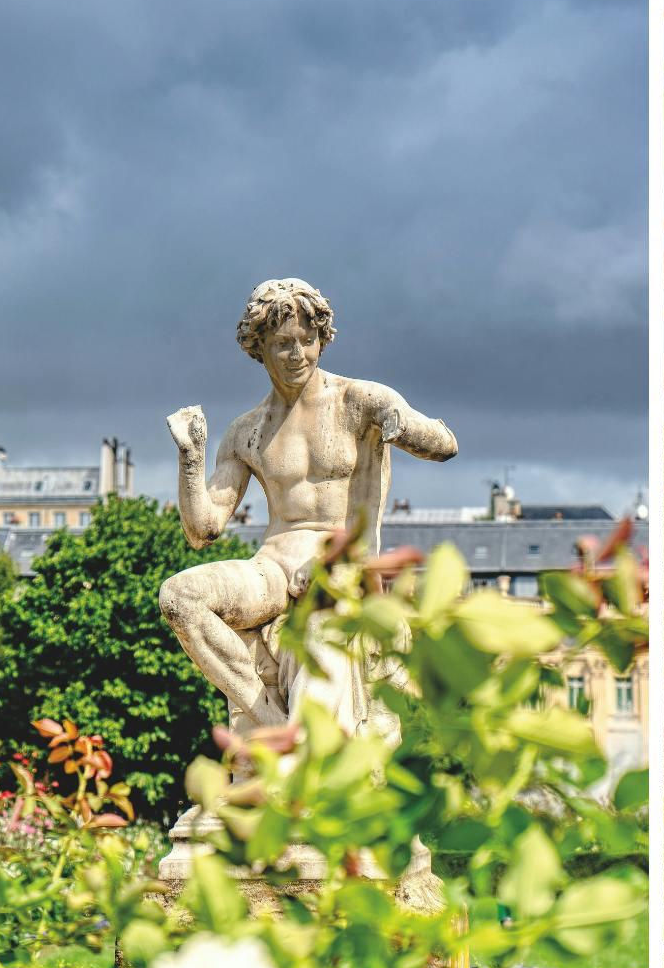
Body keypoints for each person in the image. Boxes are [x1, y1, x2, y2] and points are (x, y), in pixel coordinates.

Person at [158, 278, 457, 732]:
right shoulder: (247, 431)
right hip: (274, 568)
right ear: (259, 347)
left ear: (322, 339)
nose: (298, 354)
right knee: (180, 596)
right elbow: (203, 529)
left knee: (320, 652)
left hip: (341, 567)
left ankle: (302, 746)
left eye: (308, 340)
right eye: (283, 344)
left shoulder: (360, 400)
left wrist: (402, 425)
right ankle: (270, 722)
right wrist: (190, 457)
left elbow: (445, 443)